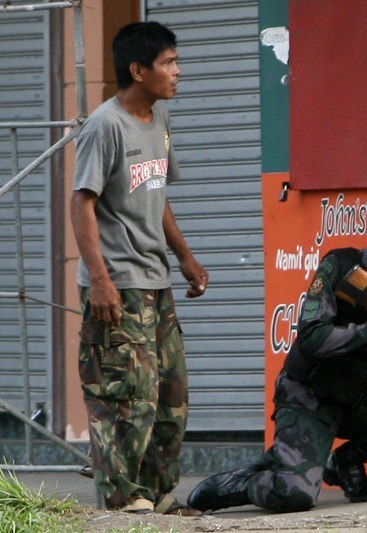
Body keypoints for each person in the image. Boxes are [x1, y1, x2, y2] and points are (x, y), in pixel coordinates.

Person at [187, 194, 367, 514]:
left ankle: (346, 461)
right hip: (310, 397)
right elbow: (311, 337)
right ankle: (243, 482)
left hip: (364, 403)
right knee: (293, 496)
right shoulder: (341, 266)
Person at [70, 21, 208, 516]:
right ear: (138, 70)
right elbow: (81, 203)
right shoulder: (105, 125)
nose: (178, 72)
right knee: (126, 398)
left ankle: (158, 492)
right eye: (169, 63)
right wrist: (100, 280)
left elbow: (156, 194)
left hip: (156, 281)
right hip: (119, 286)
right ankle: (123, 499)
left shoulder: (158, 118)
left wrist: (185, 256)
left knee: (170, 397)